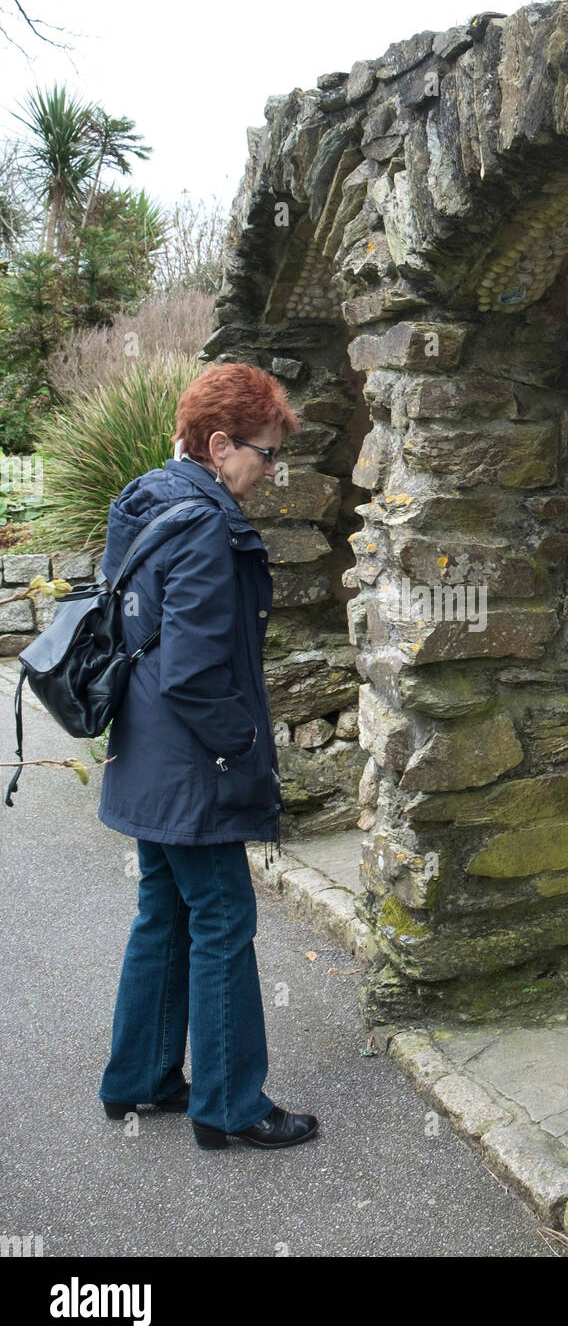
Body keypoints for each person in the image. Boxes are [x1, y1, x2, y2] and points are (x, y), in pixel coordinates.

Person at [96, 362, 318, 1151]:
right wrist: (246, 745)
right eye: (264, 453)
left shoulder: (147, 500)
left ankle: (142, 1080)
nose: (270, 470)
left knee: (164, 910)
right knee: (222, 916)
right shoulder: (204, 524)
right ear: (220, 445)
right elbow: (193, 672)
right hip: (195, 767)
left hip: (146, 756)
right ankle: (230, 1105)